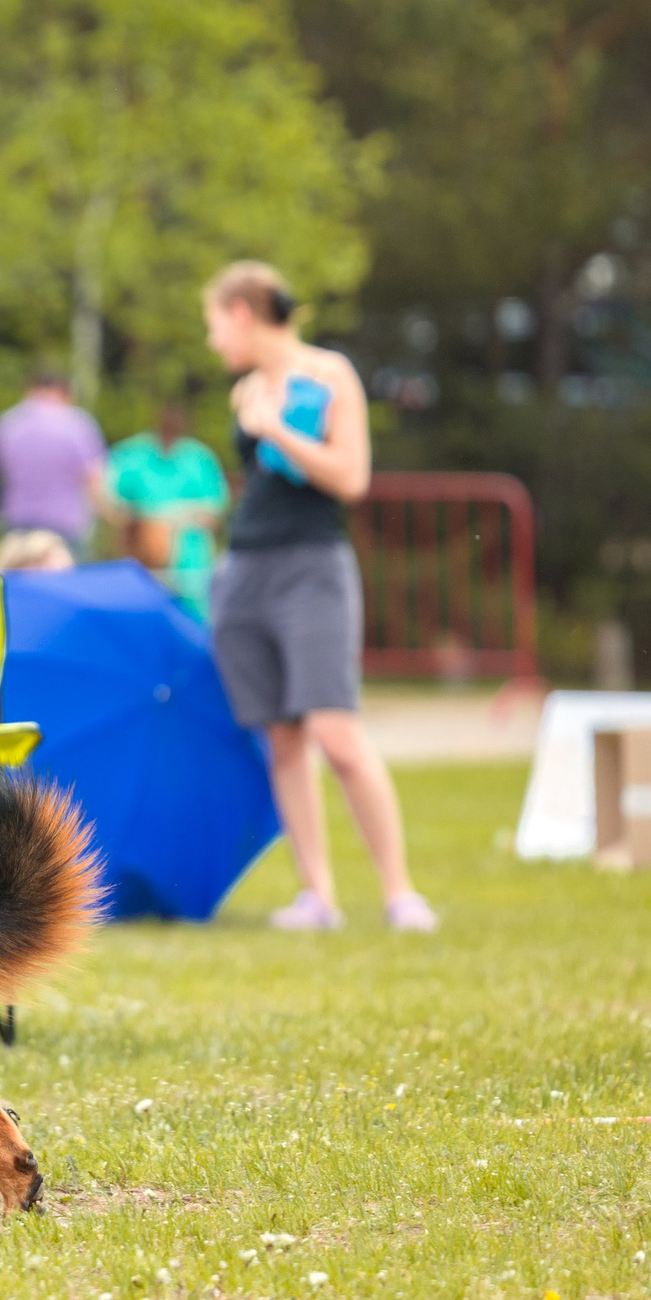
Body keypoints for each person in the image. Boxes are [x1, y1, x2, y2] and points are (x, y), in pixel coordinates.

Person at [203, 261, 436, 932]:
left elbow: (351, 478)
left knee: (336, 734)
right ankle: (318, 898)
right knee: (283, 741)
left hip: (313, 569)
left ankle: (401, 894)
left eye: (215, 325)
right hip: (246, 570)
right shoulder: (246, 389)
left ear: (242, 313)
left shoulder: (330, 375)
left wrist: (276, 429)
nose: (214, 341)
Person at [102, 398, 229, 621]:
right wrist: (139, 521)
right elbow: (107, 495)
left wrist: (179, 517)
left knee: (191, 619)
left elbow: (215, 511)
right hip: (143, 558)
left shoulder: (199, 459)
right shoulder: (134, 454)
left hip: (188, 562)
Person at [0, 368, 107, 557]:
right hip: (65, 524)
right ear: (65, 391)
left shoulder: (6, 423)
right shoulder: (77, 424)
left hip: (16, 520)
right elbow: (93, 477)